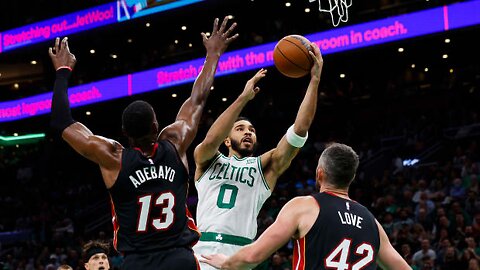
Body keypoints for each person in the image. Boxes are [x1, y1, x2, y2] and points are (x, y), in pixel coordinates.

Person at [48, 16, 238, 270]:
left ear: (124, 132)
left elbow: (61, 121)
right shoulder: (175, 143)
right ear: (156, 127)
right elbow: (198, 99)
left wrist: (63, 71)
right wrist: (213, 54)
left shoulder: (113, 157)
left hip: (136, 263)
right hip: (178, 259)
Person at [192, 43, 323, 269]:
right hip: (202, 249)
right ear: (227, 139)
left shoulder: (266, 166)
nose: (248, 133)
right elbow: (211, 139)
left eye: (251, 130)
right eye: (240, 128)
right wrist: (243, 97)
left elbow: (299, 130)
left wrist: (314, 80)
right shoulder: (207, 160)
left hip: (241, 253)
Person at [201, 143, 411, 270]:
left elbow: (253, 256)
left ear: (319, 173)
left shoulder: (304, 207)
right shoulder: (372, 222)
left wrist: (226, 263)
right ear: (352, 178)